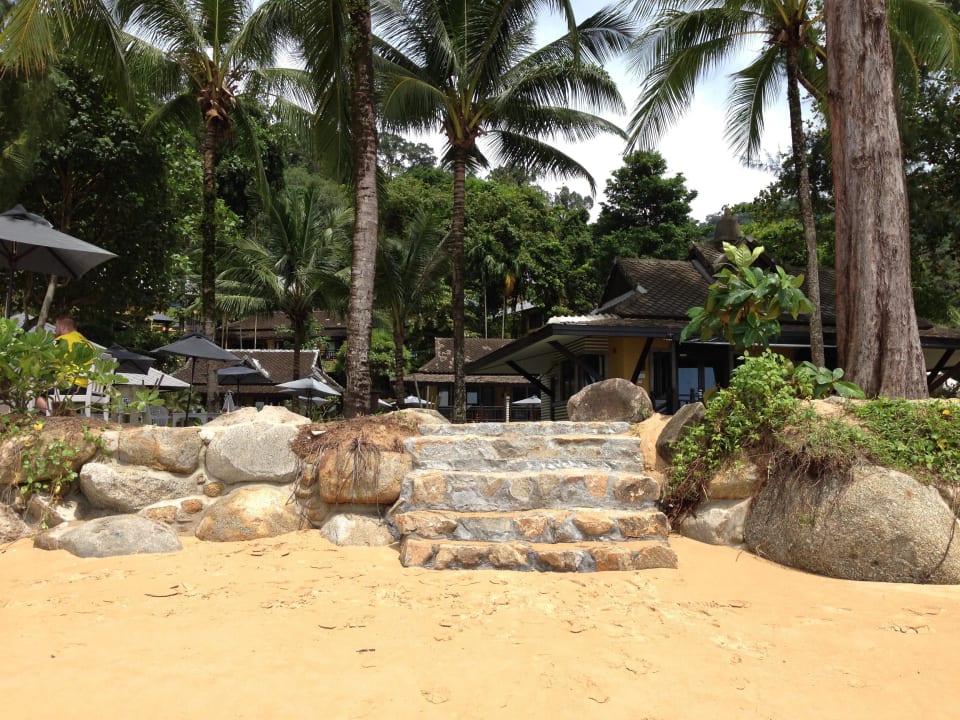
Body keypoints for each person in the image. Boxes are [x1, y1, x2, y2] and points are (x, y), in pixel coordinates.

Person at [35, 316, 95, 413]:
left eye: (56, 328)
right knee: (54, 394)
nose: (55, 330)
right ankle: (62, 416)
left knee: (36, 396)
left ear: (62, 327)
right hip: (88, 386)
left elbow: (43, 354)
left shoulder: (60, 340)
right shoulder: (86, 341)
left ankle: (54, 417)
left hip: (72, 385)